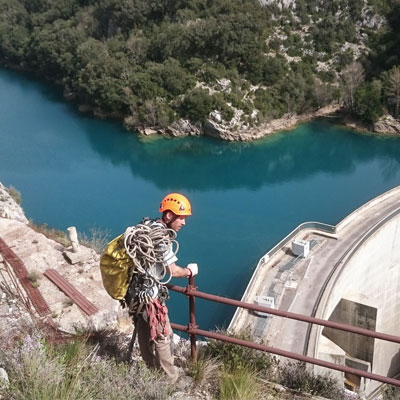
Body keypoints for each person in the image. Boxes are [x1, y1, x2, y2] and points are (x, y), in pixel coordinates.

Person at [128, 193, 198, 384]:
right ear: (169, 216)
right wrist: (189, 271)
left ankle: (151, 371)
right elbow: (173, 271)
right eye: (181, 217)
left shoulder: (146, 227)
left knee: (143, 329)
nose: (183, 222)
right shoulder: (160, 237)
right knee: (162, 335)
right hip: (150, 294)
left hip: (135, 293)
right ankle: (170, 379)